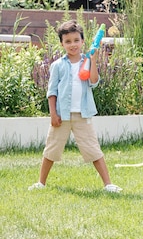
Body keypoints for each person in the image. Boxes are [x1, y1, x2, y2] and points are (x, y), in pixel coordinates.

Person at [29, 20, 122, 193]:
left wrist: (93, 61)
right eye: (68, 41)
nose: (73, 44)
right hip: (61, 115)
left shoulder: (87, 61)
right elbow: (52, 92)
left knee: (93, 149)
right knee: (51, 148)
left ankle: (108, 184)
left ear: (82, 41)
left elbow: (93, 82)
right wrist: (53, 114)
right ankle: (41, 183)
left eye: (76, 40)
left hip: (82, 114)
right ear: (62, 43)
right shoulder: (57, 65)